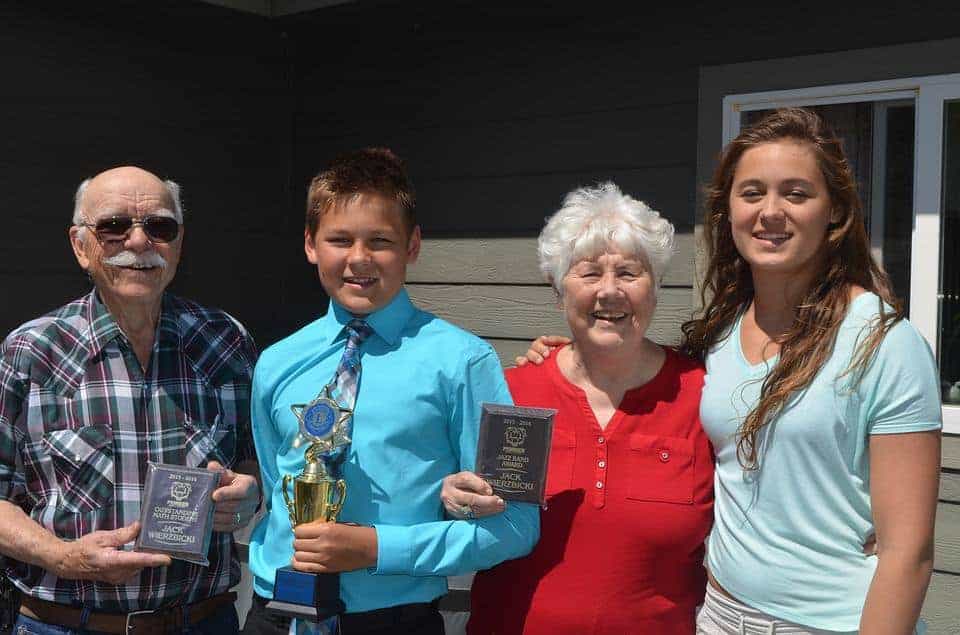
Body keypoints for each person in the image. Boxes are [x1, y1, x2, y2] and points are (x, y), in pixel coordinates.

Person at [522, 108, 941, 634]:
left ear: (834, 212)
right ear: (729, 212)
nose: (770, 211)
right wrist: (571, 354)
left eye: (795, 193)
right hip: (719, 615)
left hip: (833, 622)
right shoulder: (717, 337)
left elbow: (910, 553)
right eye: (752, 193)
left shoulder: (884, 342)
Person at [244, 147, 539, 635]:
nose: (359, 258)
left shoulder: (463, 362)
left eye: (380, 240)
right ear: (310, 245)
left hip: (389, 620)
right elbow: (279, 485)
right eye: (339, 239)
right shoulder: (277, 362)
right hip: (275, 613)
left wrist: (377, 547)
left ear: (413, 245)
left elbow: (515, 527)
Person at [441, 182, 714, 633]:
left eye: (629, 272)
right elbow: (440, 498)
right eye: (589, 273)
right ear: (558, 288)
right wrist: (449, 495)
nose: (610, 291)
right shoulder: (507, 394)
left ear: (656, 286)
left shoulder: (701, 396)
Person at [0, 166, 262, 634]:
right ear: (81, 246)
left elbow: (254, 460)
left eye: (160, 227)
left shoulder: (225, 342)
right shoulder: (30, 352)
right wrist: (64, 557)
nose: (139, 242)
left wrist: (247, 493)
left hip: (202, 623)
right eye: (114, 226)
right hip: (66, 626)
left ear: (179, 245)